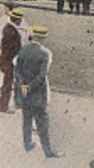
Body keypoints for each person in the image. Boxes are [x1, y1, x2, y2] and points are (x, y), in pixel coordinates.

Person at [14, 26, 60, 157]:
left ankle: (27, 143)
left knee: (26, 119)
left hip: (24, 92)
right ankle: (48, 150)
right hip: (37, 92)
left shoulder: (23, 50)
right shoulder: (44, 53)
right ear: (41, 38)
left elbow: (17, 70)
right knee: (42, 122)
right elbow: (42, 76)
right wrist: (30, 86)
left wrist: (23, 85)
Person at [0, 8, 23, 113]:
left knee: (8, 83)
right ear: (17, 20)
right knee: (7, 84)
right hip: (10, 61)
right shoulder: (12, 32)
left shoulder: (8, 28)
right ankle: (4, 106)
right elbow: (12, 48)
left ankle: (5, 105)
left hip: (6, 60)